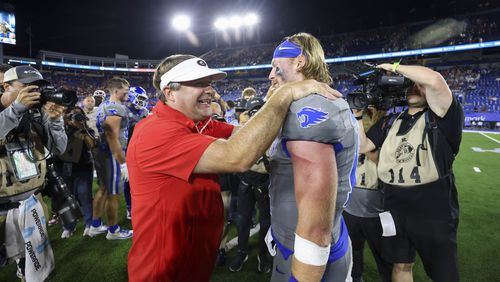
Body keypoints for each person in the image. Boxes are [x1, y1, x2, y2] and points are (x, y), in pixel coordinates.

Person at [126, 54, 340, 282]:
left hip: (193, 255)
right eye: (198, 84)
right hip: (163, 267)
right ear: (169, 92)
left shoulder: (197, 123)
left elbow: (245, 134)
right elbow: (236, 156)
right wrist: (284, 94)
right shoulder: (155, 132)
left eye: (209, 83)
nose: (209, 90)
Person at [355, 63, 464, 282]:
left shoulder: (442, 117)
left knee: (444, 273)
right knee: (401, 264)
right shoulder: (390, 122)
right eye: (410, 85)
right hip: (394, 204)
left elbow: (433, 79)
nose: (414, 88)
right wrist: (357, 116)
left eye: (419, 85)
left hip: (433, 206)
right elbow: (364, 146)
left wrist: (395, 67)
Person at [266, 33, 358, 282]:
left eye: (276, 66)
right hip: (298, 238)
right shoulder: (298, 103)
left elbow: (316, 227)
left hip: (308, 252)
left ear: (299, 62)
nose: (270, 75)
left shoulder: (308, 109)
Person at [0, 65, 67, 281]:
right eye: (27, 87)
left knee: (33, 267)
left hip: (31, 200)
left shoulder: (36, 113)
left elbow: (60, 149)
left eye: (37, 87)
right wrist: (16, 109)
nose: (34, 93)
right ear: (6, 86)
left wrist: (56, 122)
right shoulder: (14, 109)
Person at [343, 108, 392, 282]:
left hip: (375, 207)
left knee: (383, 253)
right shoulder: (348, 143)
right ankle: (356, 276)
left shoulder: (379, 143)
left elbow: (385, 162)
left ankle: (385, 277)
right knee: (354, 248)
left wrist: (366, 149)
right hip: (351, 205)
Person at [228, 97, 272, 273]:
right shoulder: (241, 129)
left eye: (259, 110)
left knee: (265, 221)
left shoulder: (274, 128)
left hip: (265, 181)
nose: (256, 114)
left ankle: (263, 254)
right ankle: (242, 251)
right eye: (253, 111)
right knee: (243, 220)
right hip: (246, 180)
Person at [88, 77, 132, 240]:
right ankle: (113, 230)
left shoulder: (104, 105)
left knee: (103, 190)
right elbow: (112, 137)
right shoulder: (115, 108)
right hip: (112, 155)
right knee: (113, 194)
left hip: (103, 153)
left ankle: (96, 225)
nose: (127, 94)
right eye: (125, 91)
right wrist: (122, 163)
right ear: (116, 91)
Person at [53, 107, 96, 238]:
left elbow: (92, 146)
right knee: (66, 199)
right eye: (72, 115)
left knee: (84, 197)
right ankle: (68, 226)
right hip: (63, 169)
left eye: (78, 114)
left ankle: (90, 224)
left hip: (83, 168)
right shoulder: (59, 130)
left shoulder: (86, 130)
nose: (75, 117)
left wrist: (82, 129)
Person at [123, 86, 149, 219]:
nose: (142, 102)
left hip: (142, 148)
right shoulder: (123, 110)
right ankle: (129, 207)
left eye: (143, 99)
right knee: (128, 180)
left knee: (142, 178)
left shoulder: (144, 111)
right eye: (140, 98)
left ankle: (142, 204)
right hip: (127, 149)